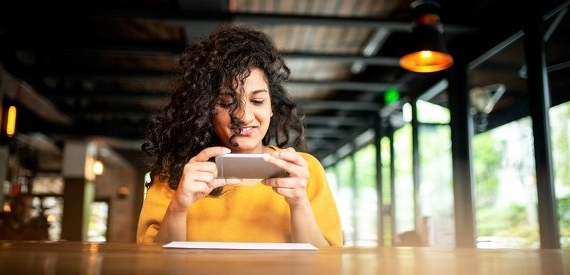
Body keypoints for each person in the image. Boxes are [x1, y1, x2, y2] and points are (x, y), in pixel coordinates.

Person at [136, 24, 343, 247]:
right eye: (227, 103)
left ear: (272, 107)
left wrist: (299, 202)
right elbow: (152, 263)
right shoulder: (175, 174)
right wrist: (179, 206)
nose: (243, 116)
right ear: (207, 109)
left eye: (257, 101)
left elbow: (326, 263)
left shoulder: (305, 171)